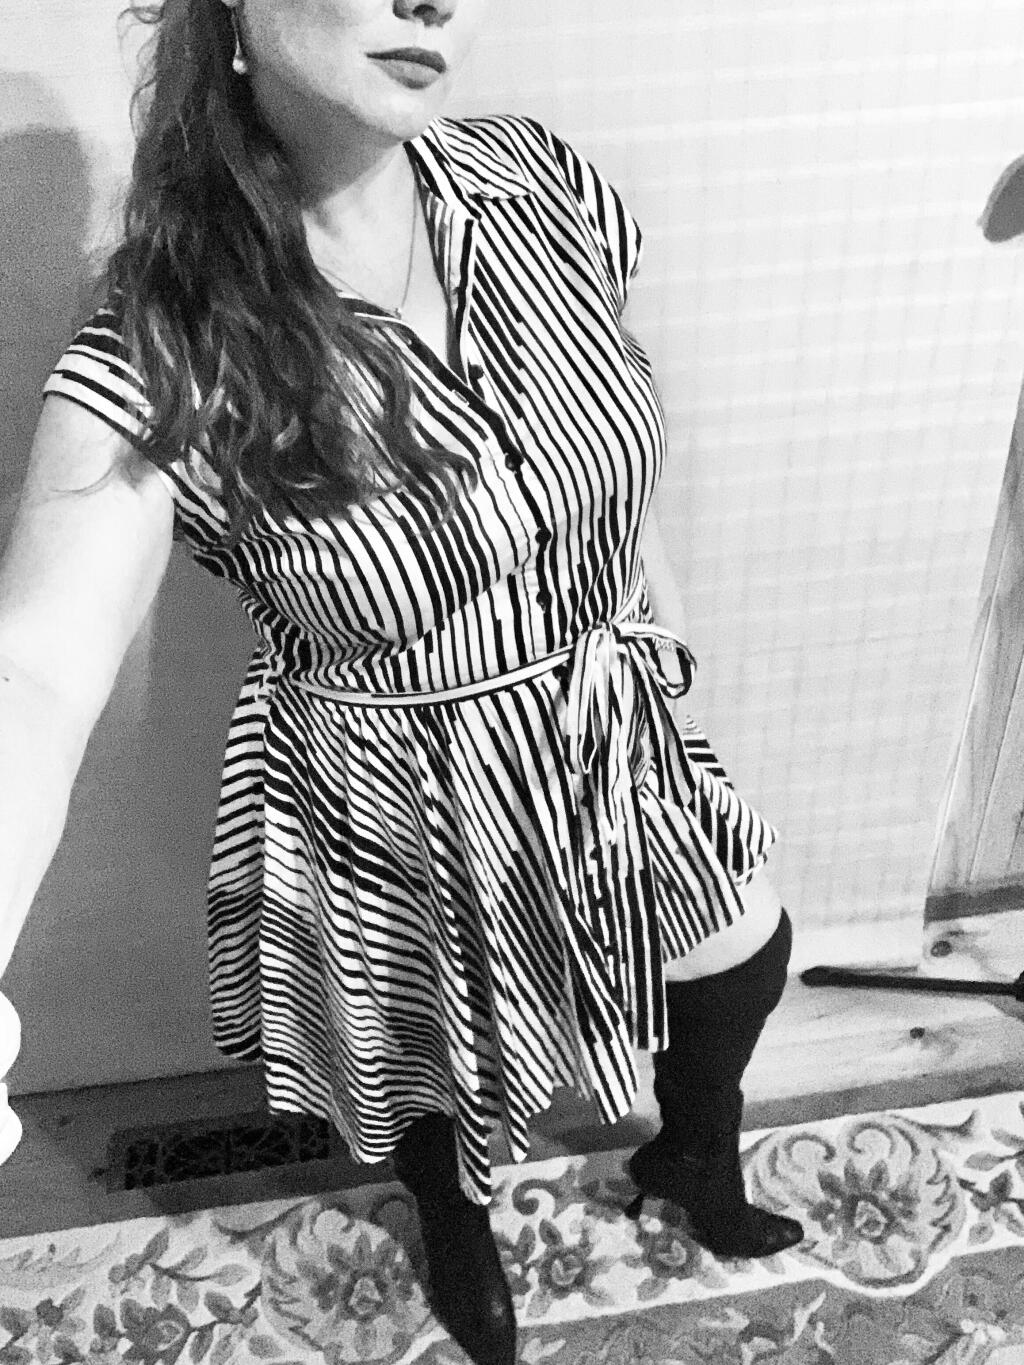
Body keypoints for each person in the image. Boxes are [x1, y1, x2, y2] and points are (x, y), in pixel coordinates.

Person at [0, 1, 804, 1361]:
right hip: (394, 788)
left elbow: (607, 389)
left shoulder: (536, 180)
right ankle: (457, 1225)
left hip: (600, 718)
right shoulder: (171, 337)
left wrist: (645, 576)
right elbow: (34, 666)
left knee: (741, 957)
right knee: (438, 1069)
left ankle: (693, 1154)